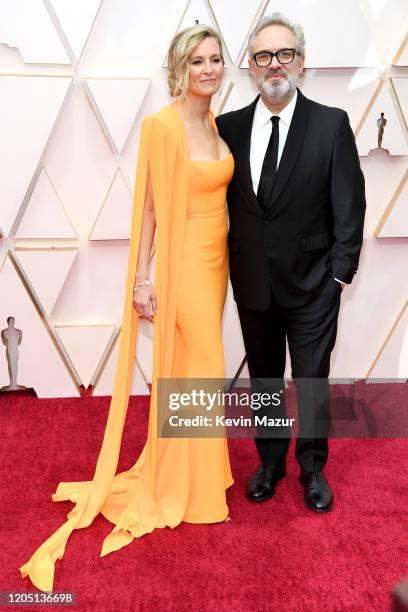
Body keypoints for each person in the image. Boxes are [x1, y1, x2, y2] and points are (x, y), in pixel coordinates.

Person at [20, 24, 234, 592]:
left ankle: (190, 477)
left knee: (195, 373)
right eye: (197, 62)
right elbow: (148, 210)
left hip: (217, 267)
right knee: (204, 371)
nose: (208, 70)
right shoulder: (161, 126)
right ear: (179, 68)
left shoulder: (211, 122)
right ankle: (188, 488)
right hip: (183, 265)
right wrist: (141, 277)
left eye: (215, 60)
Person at [216, 13, 366, 512]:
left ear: (300, 62)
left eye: (284, 54)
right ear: (251, 67)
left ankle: (314, 468)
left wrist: (339, 275)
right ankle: (271, 461)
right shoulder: (229, 128)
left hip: (314, 285)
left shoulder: (331, 124)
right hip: (253, 283)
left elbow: (349, 204)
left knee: (312, 380)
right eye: (263, 56)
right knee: (264, 379)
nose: (273, 64)